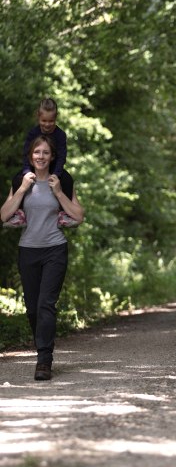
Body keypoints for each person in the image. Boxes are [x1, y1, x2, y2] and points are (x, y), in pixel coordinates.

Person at [0, 135, 84, 381]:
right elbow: (4, 215)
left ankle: (44, 360)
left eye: (45, 152)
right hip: (28, 250)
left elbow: (78, 215)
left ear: (52, 156)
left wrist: (58, 193)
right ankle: (43, 347)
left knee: (46, 304)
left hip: (55, 249)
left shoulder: (62, 181)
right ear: (31, 156)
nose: (41, 156)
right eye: (37, 152)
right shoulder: (21, 180)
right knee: (32, 308)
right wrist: (23, 189)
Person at [3, 98, 75, 228]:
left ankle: (64, 213)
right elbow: (26, 154)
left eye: (51, 121)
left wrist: (57, 174)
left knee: (68, 180)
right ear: (38, 117)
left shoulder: (60, 135)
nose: (47, 124)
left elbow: (61, 157)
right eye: (44, 121)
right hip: (33, 167)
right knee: (16, 179)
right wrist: (26, 171)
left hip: (54, 167)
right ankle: (18, 213)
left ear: (56, 118)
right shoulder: (33, 133)